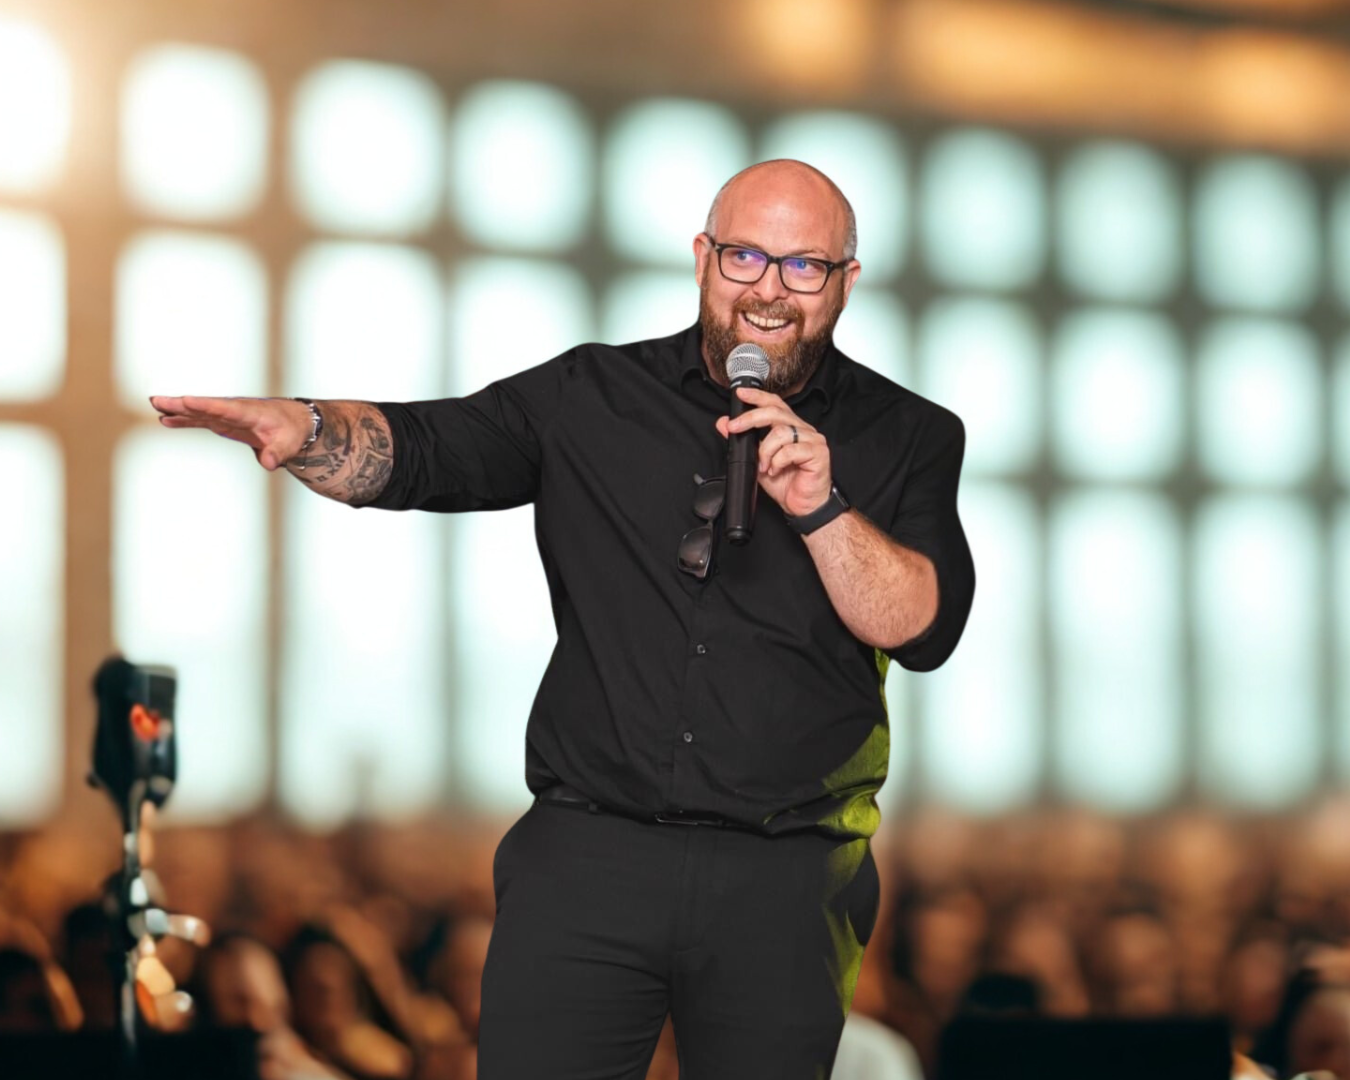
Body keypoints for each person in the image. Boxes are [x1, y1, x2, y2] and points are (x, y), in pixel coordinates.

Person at [151, 159, 975, 1078]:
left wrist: (821, 510)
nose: (769, 291)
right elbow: (431, 447)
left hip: (786, 876)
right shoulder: (592, 396)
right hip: (589, 855)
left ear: (845, 282)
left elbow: (924, 627)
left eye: (803, 266)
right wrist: (304, 425)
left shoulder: (910, 434)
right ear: (702, 258)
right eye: (745, 256)